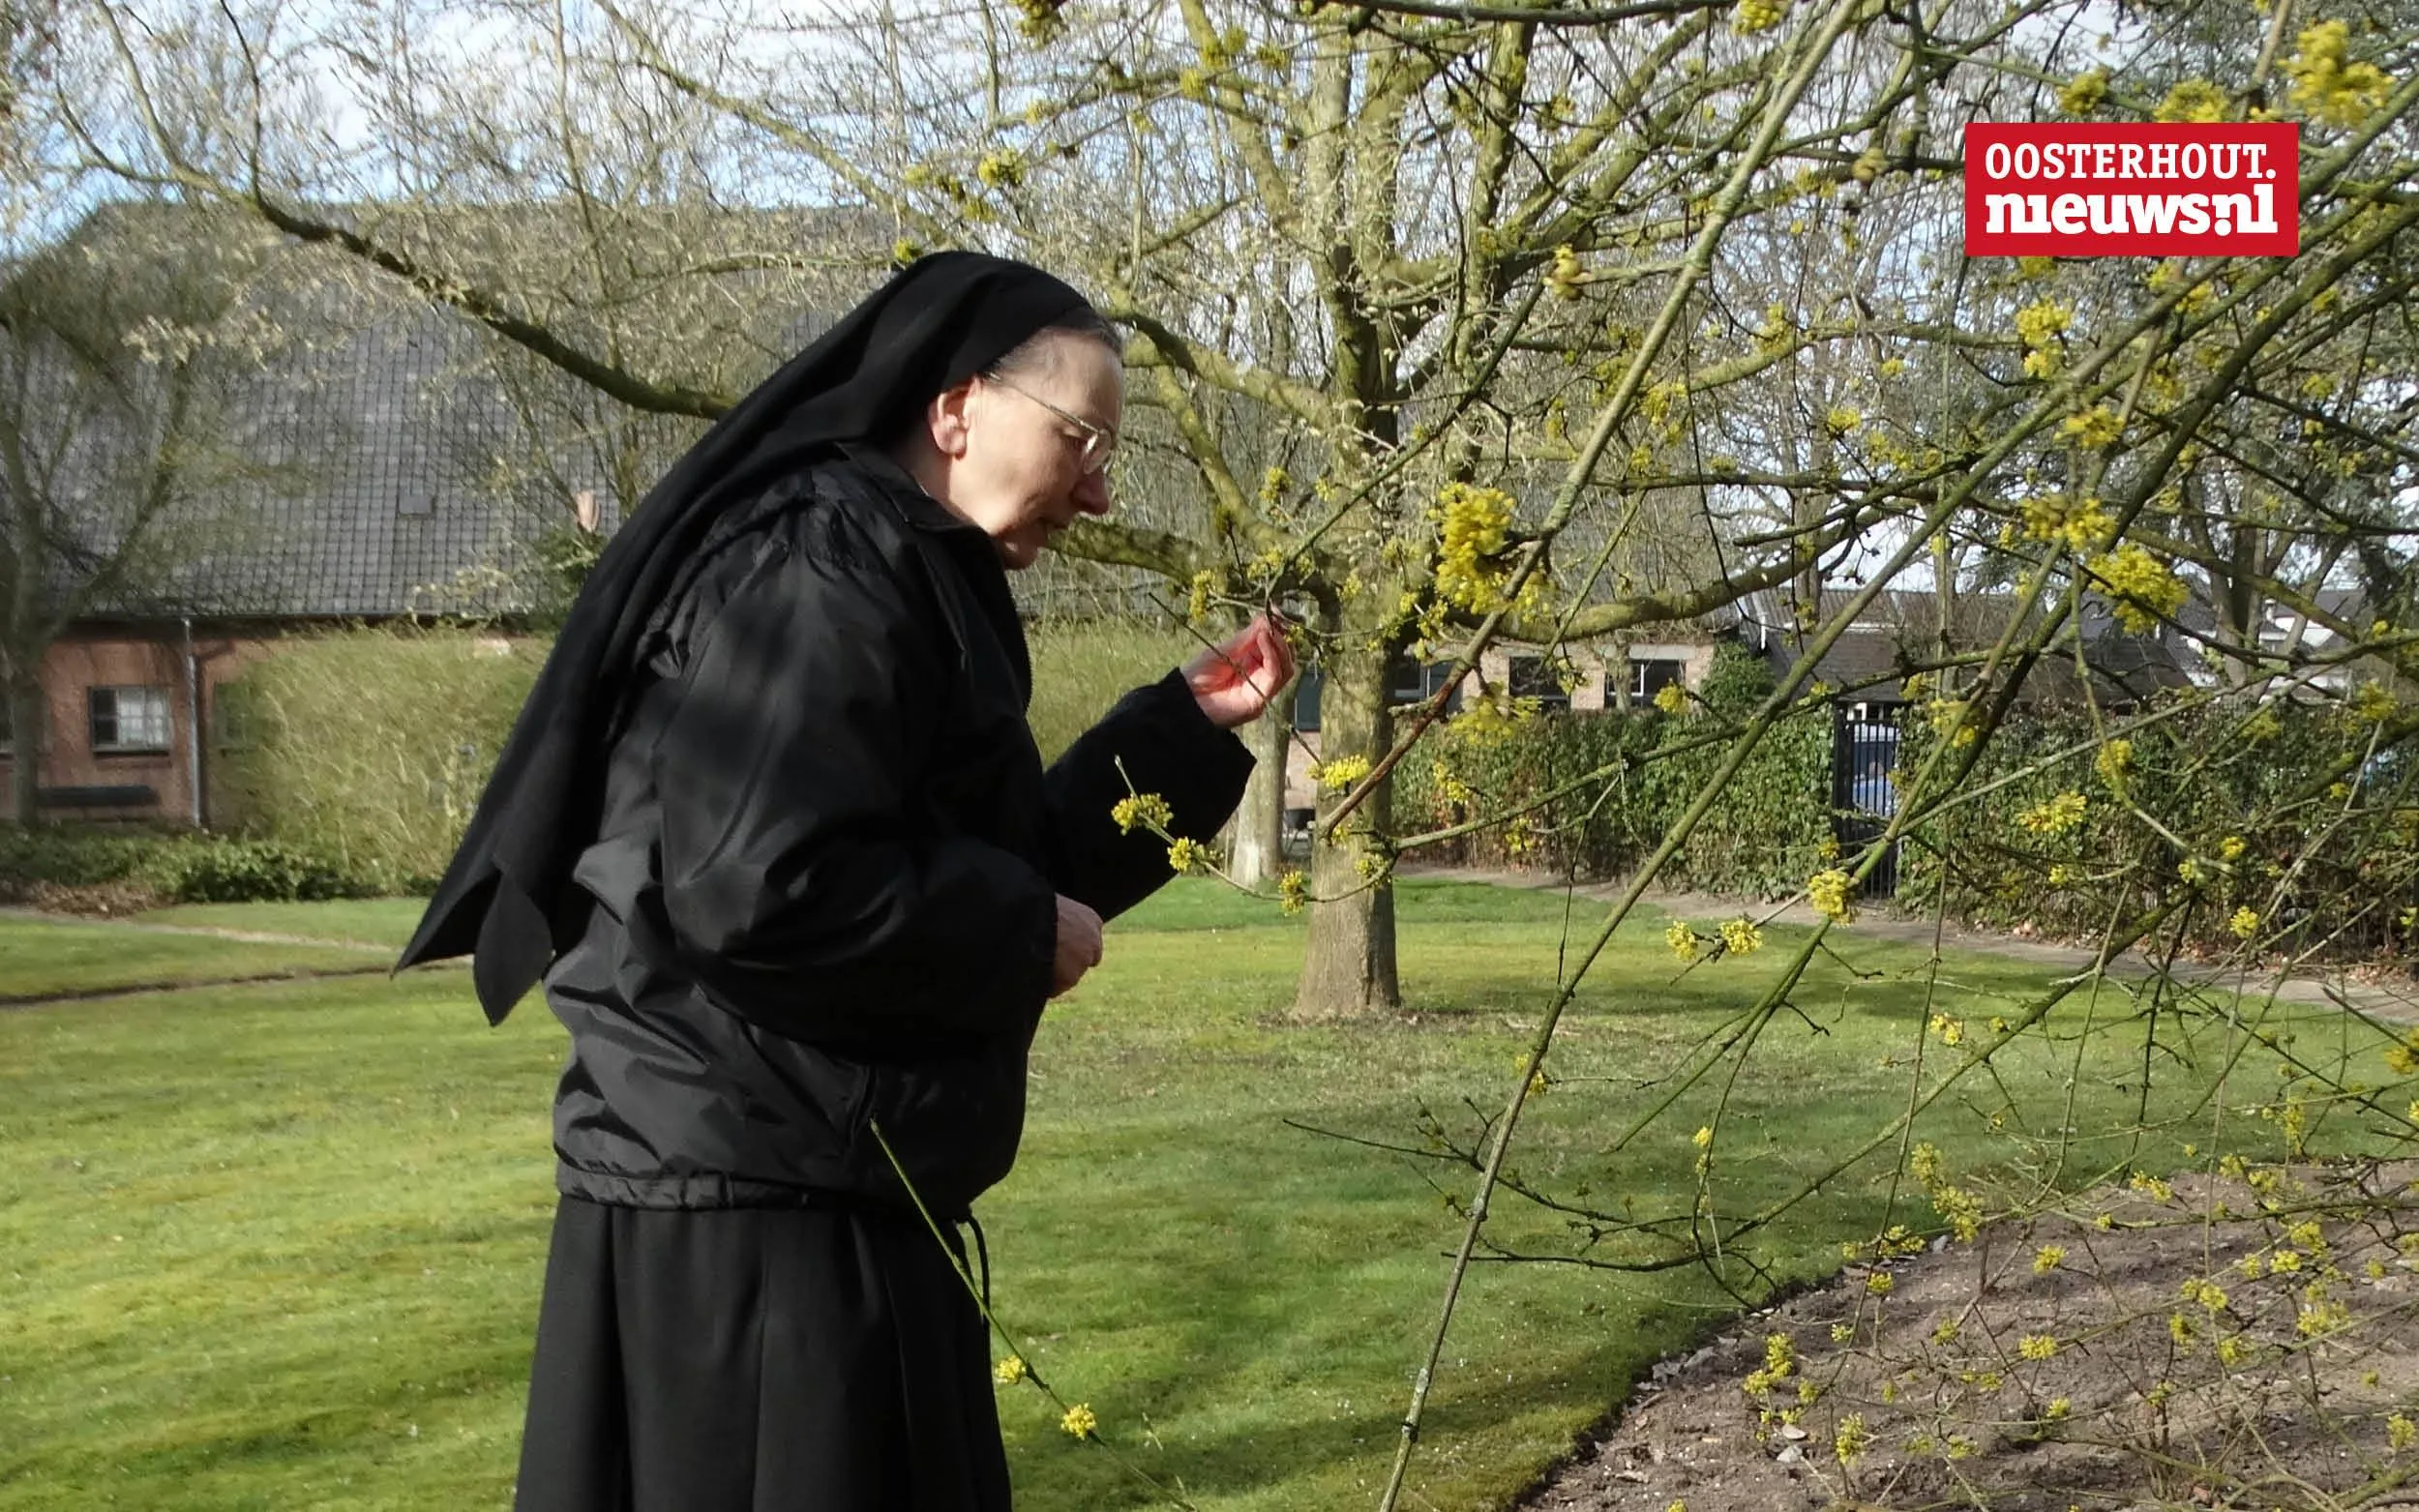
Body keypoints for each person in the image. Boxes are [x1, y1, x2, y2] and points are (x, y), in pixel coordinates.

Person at [397, 252, 1295, 1511]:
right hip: (755, 1237)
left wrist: (1181, 734)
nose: (1098, 492)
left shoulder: (897, 564)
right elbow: (759, 884)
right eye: (1082, 439)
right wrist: (1014, 930)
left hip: (810, 1186)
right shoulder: (817, 566)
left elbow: (966, 855)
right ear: (957, 408)